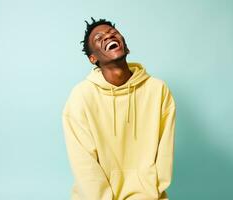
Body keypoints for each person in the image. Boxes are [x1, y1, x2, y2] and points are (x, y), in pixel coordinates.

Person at [62, 17, 176, 200]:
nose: (108, 36)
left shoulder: (157, 90)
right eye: (99, 38)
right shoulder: (81, 96)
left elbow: (165, 153)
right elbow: (84, 163)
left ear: (125, 46)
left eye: (113, 33)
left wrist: (151, 191)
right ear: (93, 58)